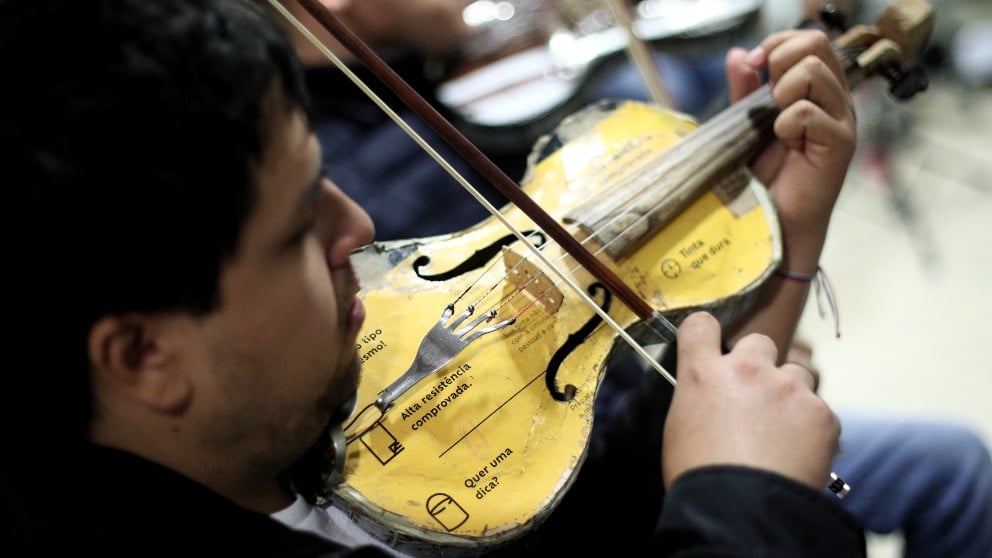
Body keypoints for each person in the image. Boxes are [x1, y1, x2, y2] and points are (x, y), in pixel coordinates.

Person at [2, 0, 866, 556]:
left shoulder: (276, 410)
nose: (362, 230)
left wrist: (788, 229)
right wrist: (746, 511)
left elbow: (634, 452)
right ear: (144, 356)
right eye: (303, 226)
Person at [279, 1, 992, 557]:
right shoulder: (358, 166)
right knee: (955, 472)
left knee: (954, 463)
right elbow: (616, 461)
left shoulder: (403, 83)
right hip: (588, 451)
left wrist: (777, 230)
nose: (354, 235)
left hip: (638, 407)